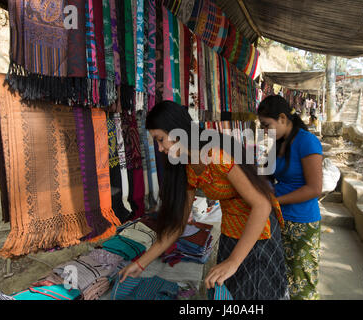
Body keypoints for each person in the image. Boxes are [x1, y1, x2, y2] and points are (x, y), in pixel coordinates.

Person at [118, 100, 288, 300]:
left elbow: (262, 205)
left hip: (258, 235)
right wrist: (140, 264)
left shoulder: (216, 155)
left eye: (160, 139)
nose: (160, 148)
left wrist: (233, 261)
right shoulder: (188, 167)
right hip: (231, 234)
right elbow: (177, 225)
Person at [258, 95, 323, 300]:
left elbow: (314, 188)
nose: (264, 131)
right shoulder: (277, 143)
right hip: (280, 219)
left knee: (302, 283)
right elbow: (266, 176)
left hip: (302, 223)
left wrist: (275, 201)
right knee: (280, 278)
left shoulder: (307, 142)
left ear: (283, 118)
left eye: (267, 125)